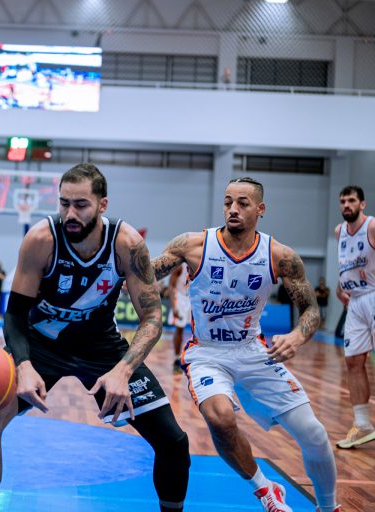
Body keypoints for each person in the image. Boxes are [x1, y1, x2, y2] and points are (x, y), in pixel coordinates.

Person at [0, 164, 190, 512]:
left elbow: (151, 319)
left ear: (102, 205)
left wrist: (123, 371)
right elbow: (15, 315)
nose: (70, 213)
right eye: (64, 203)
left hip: (101, 347)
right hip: (40, 344)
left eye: (81, 204)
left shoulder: (127, 243)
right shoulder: (41, 239)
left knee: (173, 442)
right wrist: (23, 365)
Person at [153, 177, 339, 512]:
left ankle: (329, 507)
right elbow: (145, 274)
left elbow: (311, 310)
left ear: (260, 209)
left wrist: (297, 335)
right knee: (221, 418)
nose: (233, 209)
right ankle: (265, 489)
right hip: (207, 352)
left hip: (253, 351)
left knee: (314, 434)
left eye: (242, 203)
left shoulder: (279, 255)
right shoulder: (193, 245)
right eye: (228, 202)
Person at [334, 185, 375, 449]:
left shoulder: (371, 227)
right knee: (353, 361)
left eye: (351, 200)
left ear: (362, 204)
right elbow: (345, 265)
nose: (346, 205)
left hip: (373, 294)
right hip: (355, 301)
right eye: (343, 201)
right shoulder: (339, 231)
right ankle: (362, 425)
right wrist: (340, 287)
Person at [167, 263, 190, 373]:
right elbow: (171, 285)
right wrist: (174, 306)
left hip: (193, 297)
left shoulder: (201, 262)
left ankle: (198, 358)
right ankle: (177, 358)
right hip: (180, 298)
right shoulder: (180, 266)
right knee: (179, 329)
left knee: (199, 330)